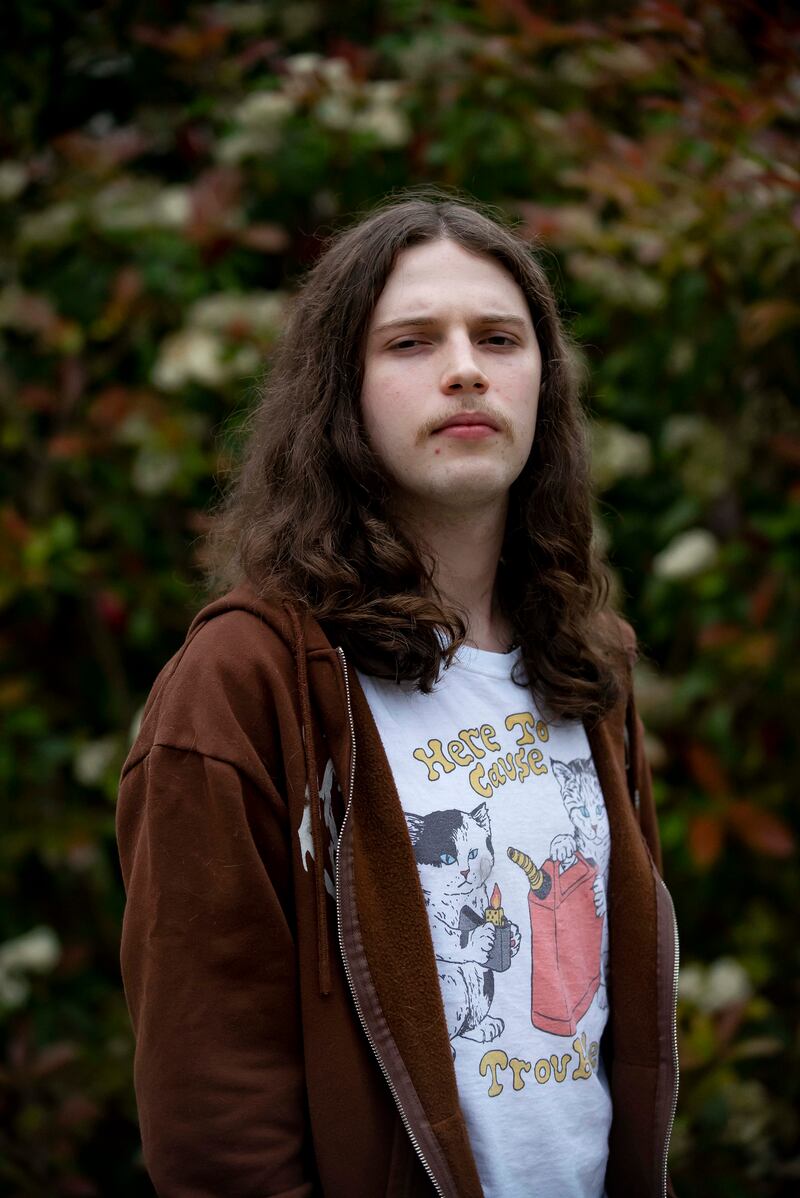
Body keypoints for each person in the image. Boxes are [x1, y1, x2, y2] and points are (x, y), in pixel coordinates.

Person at [116, 192, 678, 1198]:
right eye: (411, 342)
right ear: (343, 391)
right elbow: (212, 1113)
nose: (464, 366)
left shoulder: (584, 664)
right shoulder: (245, 685)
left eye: (497, 337)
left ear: (541, 381)